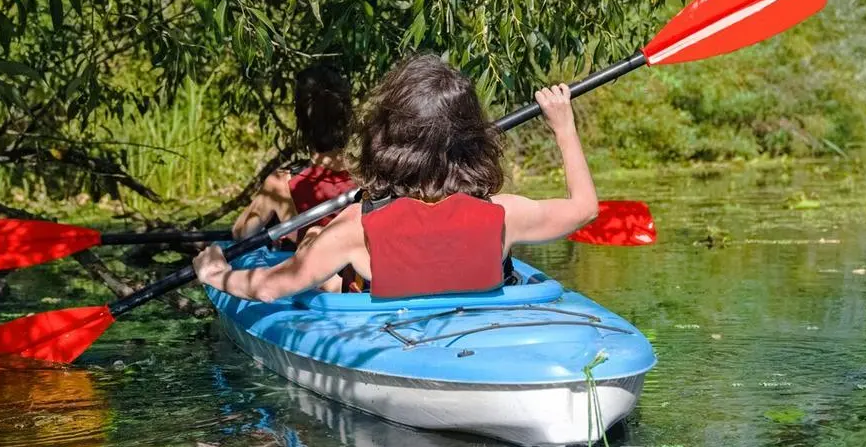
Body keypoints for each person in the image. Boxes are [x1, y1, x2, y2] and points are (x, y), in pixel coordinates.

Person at [194, 54, 598, 302]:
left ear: (385, 139)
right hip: (484, 337)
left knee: (318, 257)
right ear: (473, 139)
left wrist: (216, 274)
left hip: (396, 346)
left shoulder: (357, 227)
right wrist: (564, 127)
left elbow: (268, 288)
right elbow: (584, 208)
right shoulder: (506, 213)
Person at [231, 65, 355, 249]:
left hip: (315, 273)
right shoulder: (372, 176)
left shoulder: (280, 184)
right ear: (347, 117)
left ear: (301, 121)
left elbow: (242, 234)